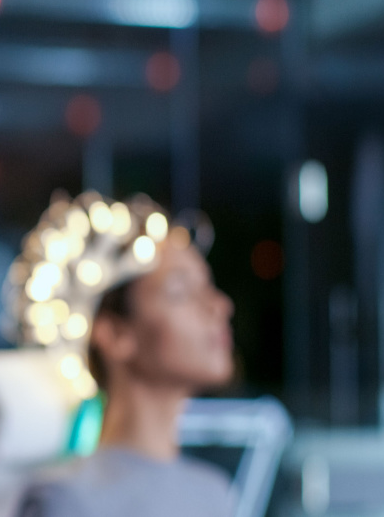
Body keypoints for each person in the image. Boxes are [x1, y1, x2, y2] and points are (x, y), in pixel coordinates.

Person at [15, 221, 238, 517]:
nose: (220, 306)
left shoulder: (214, 492)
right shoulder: (65, 499)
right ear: (114, 334)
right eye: (181, 291)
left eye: (208, 288)